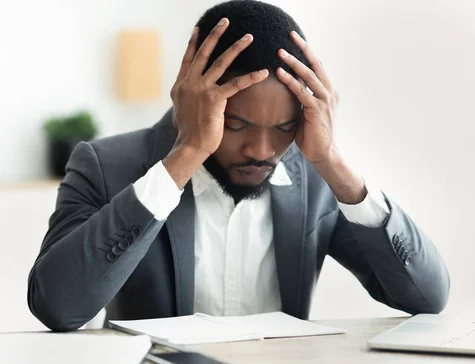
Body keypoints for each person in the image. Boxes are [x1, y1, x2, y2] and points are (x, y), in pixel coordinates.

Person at [27, 0, 450, 331]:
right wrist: (186, 155)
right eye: (236, 125)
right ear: (192, 101)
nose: (262, 150)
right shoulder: (104, 165)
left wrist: (331, 161)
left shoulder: (316, 179)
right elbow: (58, 307)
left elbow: (426, 298)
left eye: (284, 127)